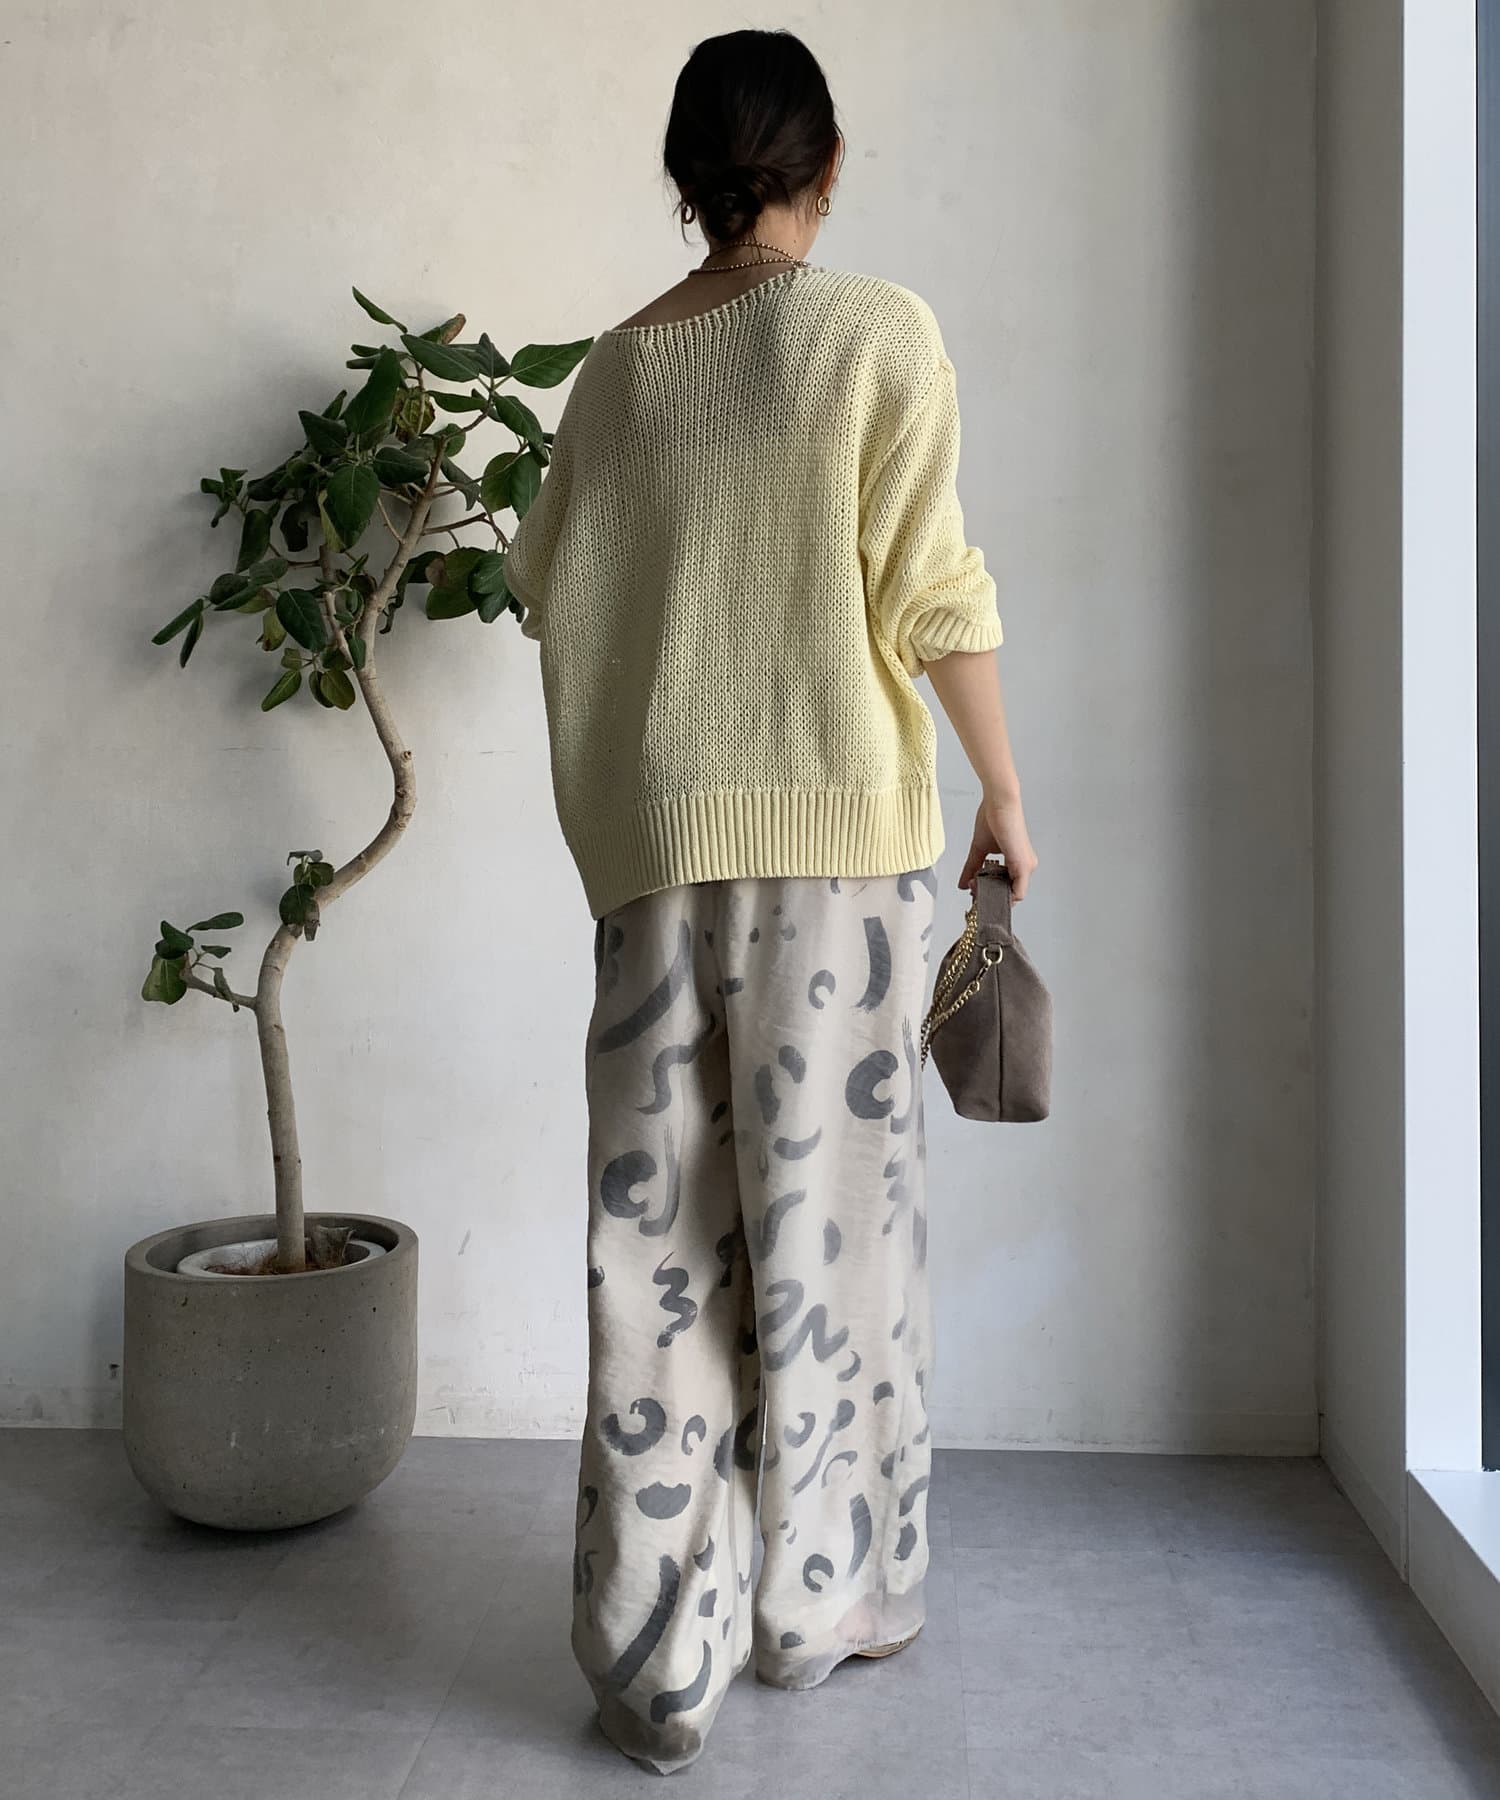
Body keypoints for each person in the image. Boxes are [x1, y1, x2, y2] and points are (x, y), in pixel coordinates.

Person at [504, 25, 1037, 1775]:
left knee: (657, 1251)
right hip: (839, 866)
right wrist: (1003, 795)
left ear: (685, 177)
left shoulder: (613, 378)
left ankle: (659, 1661)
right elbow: (931, 589)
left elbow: (547, 592)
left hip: (656, 869)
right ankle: (821, 1605)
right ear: (827, 164)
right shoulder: (876, 334)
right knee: (830, 1242)